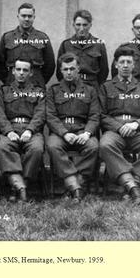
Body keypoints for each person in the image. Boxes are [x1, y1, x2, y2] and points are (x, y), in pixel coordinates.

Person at [99, 47, 140, 205]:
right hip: (115, 132)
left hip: (138, 132)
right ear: (116, 65)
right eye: (122, 62)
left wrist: (135, 124)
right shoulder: (106, 87)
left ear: (134, 65)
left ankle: (132, 183)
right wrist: (119, 127)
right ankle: (134, 187)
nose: (125, 65)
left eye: (129, 62)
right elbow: (101, 115)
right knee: (105, 145)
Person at [46, 53, 100, 202]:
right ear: (61, 71)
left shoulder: (90, 90)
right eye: (65, 69)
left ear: (78, 69)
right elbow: (50, 116)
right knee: (53, 146)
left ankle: (77, 183)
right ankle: (75, 185)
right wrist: (64, 133)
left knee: (93, 146)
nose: (69, 72)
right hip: (61, 132)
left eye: (72, 69)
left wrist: (87, 133)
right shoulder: (53, 90)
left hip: (82, 130)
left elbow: (95, 116)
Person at [0, 58, 45, 201]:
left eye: (25, 70)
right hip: (10, 129)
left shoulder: (38, 92)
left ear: (31, 73)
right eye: (19, 70)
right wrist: (9, 131)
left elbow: (40, 114)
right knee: (3, 147)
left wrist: (30, 130)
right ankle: (20, 188)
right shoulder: (3, 91)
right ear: (13, 71)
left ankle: (21, 186)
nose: (21, 73)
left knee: (36, 148)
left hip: (31, 130)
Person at [0, 3, 55, 87]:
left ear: (34, 17)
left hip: (35, 84)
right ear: (18, 17)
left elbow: (50, 65)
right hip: (12, 83)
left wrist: (39, 80)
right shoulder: (7, 37)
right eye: (23, 16)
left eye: (30, 16)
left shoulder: (42, 37)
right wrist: (8, 80)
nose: (26, 19)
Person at [56, 10, 109, 87]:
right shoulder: (66, 45)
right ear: (73, 25)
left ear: (90, 25)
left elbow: (104, 71)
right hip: (71, 86)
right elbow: (59, 71)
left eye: (85, 25)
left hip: (92, 86)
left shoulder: (99, 45)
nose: (81, 28)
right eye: (78, 25)